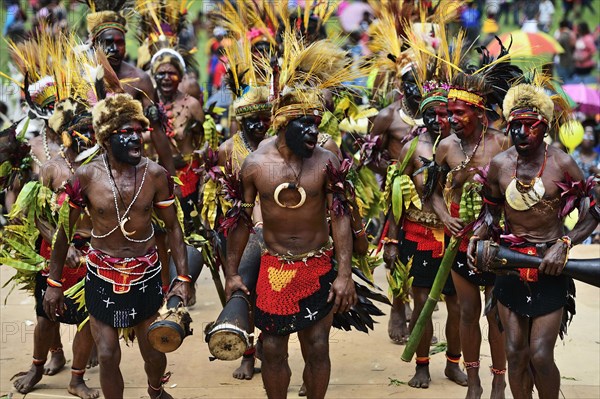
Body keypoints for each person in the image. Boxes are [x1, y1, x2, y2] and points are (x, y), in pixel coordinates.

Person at [224, 36, 357, 399]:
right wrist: (232, 273)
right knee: (271, 348)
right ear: (284, 124)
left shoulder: (326, 161)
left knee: (317, 347)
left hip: (317, 265)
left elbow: (340, 216)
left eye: (317, 123)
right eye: (307, 125)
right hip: (274, 268)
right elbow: (237, 221)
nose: (316, 132)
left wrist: (344, 274)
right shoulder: (255, 166)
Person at [43, 93, 190, 399]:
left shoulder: (156, 175)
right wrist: (54, 282)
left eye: (140, 130)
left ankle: (155, 390)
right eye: (128, 132)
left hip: (145, 273)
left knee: (153, 349)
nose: (137, 137)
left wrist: (183, 277)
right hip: (101, 275)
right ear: (107, 139)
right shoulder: (86, 176)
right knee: (108, 354)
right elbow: (63, 233)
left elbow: (174, 227)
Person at [468, 82, 599, 399]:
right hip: (510, 265)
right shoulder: (500, 165)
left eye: (531, 126)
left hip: (550, 268)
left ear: (544, 127)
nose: (522, 133)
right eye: (515, 126)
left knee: (540, 355)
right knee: (515, 353)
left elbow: (594, 210)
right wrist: (477, 235)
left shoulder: (562, 164)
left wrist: (564, 243)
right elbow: (490, 213)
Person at [431, 71, 516, 399]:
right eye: (449, 113)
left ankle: (498, 379)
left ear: (480, 114)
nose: (452, 119)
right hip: (461, 240)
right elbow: (432, 192)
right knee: (467, 312)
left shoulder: (503, 143)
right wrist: (443, 217)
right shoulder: (446, 147)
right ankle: (475, 380)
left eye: (458, 113)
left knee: (494, 312)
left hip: (497, 242)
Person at [12, 99, 98, 399]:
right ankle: (38, 366)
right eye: (81, 131)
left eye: (92, 130)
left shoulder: (104, 168)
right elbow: (35, 214)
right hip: (54, 251)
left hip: (92, 253)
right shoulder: (53, 168)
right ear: (67, 134)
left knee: (88, 318)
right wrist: (60, 245)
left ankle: (77, 378)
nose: (88, 136)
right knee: (46, 316)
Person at [385, 86, 468, 389]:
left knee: (456, 304)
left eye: (443, 114)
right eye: (430, 114)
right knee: (422, 304)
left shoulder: (463, 147)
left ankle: (453, 364)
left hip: (454, 236)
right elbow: (394, 197)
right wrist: (392, 241)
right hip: (418, 233)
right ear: (422, 117)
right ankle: (422, 367)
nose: (436, 119)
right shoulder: (412, 149)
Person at [86, 5, 176, 176]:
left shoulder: (140, 79)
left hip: (132, 165)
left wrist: (172, 177)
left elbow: (156, 129)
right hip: (92, 164)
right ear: (96, 44)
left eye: (120, 43)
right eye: (108, 43)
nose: (114, 48)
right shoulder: (84, 79)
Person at [151, 49, 204, 222]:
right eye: (161, 73)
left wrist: (205, 182)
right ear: (154, 76)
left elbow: (205, 145)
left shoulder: (192, 105)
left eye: (171, 73)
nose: (166, 77)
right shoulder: (148, 107)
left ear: (180, 77)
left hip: (188, 180)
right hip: (156, 179)